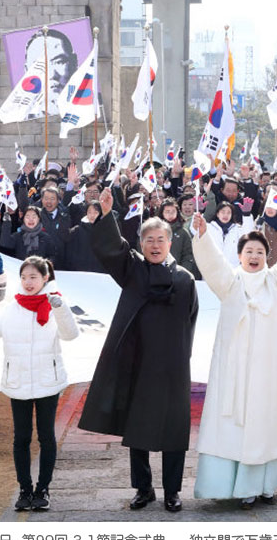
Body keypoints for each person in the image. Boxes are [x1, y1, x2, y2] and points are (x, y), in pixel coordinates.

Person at [190, 200, 277, 508]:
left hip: (270, 372)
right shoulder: (229, 282)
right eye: (248, 252)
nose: (254, 257)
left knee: (269, 423)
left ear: (267, 256)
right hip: (235, 373)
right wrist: (201, 236)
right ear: (239, 256)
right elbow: (212, 262)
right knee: (236, 427)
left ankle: (269, 483)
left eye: (259, 252)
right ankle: (236, 486)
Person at [78, 188, 198, 513]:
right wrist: (106, 215)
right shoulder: (133, 270)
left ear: (170, 243)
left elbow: (190, 321)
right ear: (141, 244)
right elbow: (112, 249)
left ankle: (173, 491)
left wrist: (180, 360)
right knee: (139, 429)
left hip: (172, 368)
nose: (155, 245)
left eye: (161, 240)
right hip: (138, 364)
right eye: (149, 240)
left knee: (173, 431)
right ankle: (143, 489)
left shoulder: (185, 280)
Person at [0, 256, 78, 511]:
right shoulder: (12, 306)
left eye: (33, 277)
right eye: (24, 277)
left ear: (45, 278)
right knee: (21, 438)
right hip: (18, 381)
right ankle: (24, 489)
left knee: (46, 437)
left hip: (47, 381)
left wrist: (61, 308)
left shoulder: (54, 303)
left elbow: (70, 334)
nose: (28, 282)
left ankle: (43, 489)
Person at [23, 28, 78, 117]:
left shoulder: (94, 107)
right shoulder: (19, 115)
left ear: (74, 63)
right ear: (26, 72)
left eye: (59, 62)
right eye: (39, 66)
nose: (52, 75)